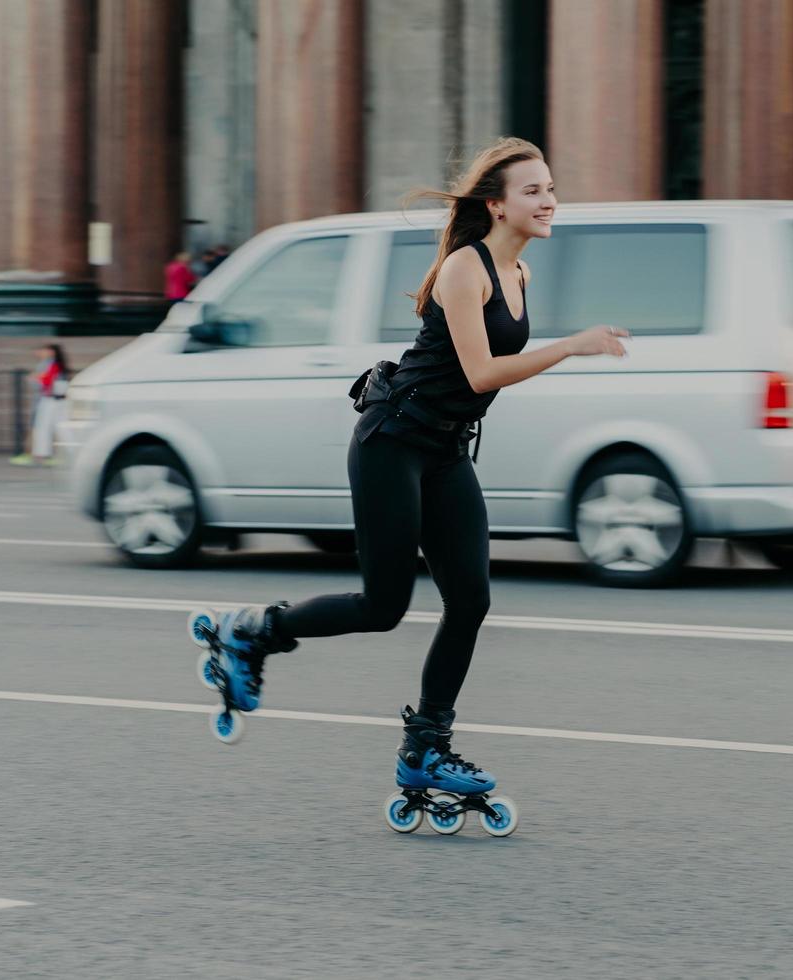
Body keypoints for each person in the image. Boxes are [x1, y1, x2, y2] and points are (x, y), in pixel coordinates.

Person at [202, 137, 629, 807]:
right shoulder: (468, 267)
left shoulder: (520, 275)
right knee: (383, 606)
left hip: (445, 449)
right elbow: (483, 370)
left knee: (472, 599)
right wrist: (572, 347)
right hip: (392, 442)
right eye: (532, 190)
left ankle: (426, 747)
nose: (548, 200)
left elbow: (478, 383)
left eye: (550, 188)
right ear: (496, 205)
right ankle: (252, 631)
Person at [10, 344, 70, 466]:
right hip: (57, 400)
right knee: (59, 428)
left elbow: (45, 382)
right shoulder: (55, 364)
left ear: (51, 352)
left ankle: (43, 455)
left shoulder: (50, 365)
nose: (39, 352)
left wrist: (35, 378)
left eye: (43, 350)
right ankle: (54, 455)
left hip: (50, 400)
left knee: (43, 428)